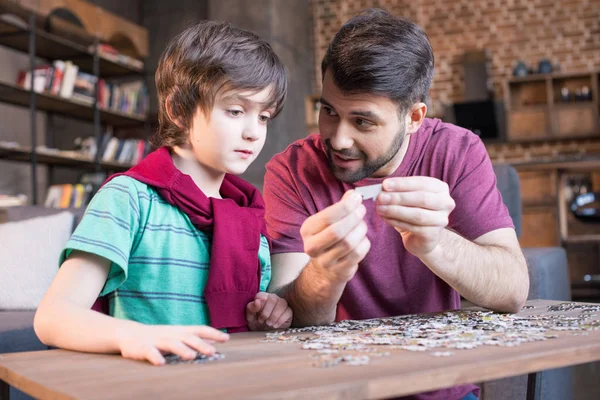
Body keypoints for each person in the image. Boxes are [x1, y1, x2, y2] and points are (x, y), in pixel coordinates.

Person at [263, 8, 528, 400]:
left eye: (363, 122)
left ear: (414, 117)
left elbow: (513, 289)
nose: (338, 139)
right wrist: (325, 273)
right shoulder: (292, 170)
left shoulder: (456, 151)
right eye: (329, 111)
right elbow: (291, 318)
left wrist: (436, 244)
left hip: (440, 389)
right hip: (333, 389)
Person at [34, 21, 292, 366]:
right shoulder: (129, 198)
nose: (253, 133)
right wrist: (133, 335)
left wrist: (266, 314)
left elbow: (245, 328)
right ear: (179, 110)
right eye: (235, 111)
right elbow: (53, 317)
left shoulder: (250, 215)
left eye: (264, 116)